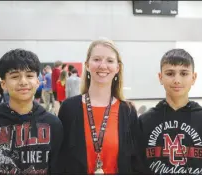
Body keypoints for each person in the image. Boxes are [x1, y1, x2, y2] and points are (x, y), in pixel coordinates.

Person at [57, 39, 145, 174]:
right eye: (97, 59)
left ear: (117, 68)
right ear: (87, 65)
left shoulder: (128, 111)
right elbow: (60, 160)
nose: (103, 66)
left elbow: (136, 162)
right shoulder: (69, 108)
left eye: (110, 61)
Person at [0, 49, 63, 174]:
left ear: (37, 81)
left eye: (29, 76)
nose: (23, 82)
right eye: (15, 76)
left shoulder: (53, 124)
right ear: (4, 83)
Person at [139, 48, 202, 174]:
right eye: (170, 73)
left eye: (184, 73)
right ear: (160, 77)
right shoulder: (144, 122)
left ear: (193, 78)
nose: (177, 80)